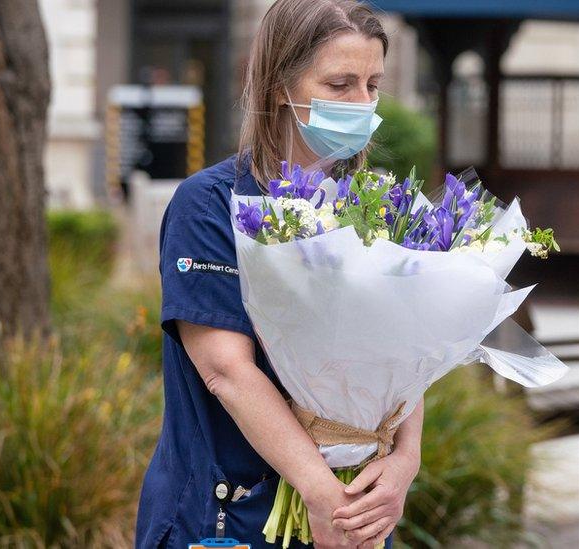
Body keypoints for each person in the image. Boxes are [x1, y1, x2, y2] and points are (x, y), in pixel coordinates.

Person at [134, 1, 424, 547]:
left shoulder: (378, 207)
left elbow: (408, 354)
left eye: (373, 84)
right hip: (229, 515)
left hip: (354, 514)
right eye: (340, 84)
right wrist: (320, 492)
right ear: (277, 88)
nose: (362, 104)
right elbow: (227, 371)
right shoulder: (210, 206)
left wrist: (405, 458)